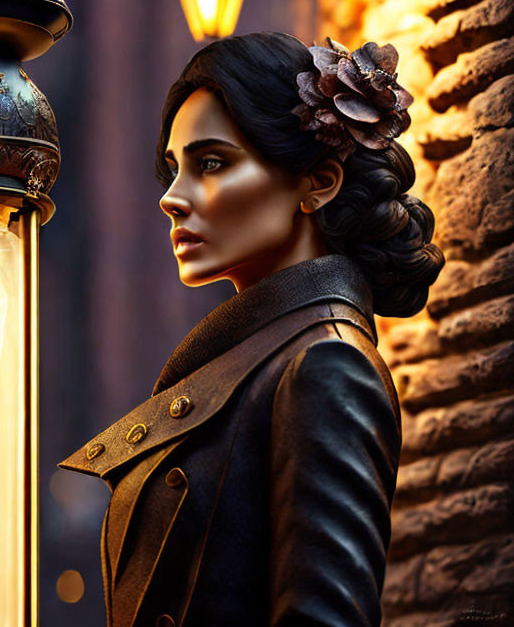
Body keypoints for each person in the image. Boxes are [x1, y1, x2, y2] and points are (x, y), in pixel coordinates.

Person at [58, 32, 444, 627]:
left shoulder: (326, 367)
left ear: (318, 182)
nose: (171, 198)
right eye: (172, 169)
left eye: (211, 163)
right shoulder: (254, 362)